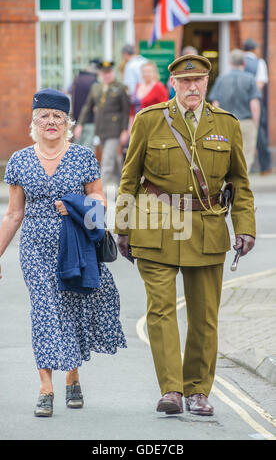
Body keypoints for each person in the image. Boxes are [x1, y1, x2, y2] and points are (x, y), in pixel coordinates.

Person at [114, 54, 256, 416]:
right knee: (160, 312)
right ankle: (172, 390)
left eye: (199, 81)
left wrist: (245, 227)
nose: (192, 87)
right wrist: (123, 227)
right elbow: (129, 178)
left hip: (207, 230)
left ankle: (198, 391)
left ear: (207, 83)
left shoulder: (226, 123)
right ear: (173, 83)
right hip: (155, 227)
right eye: (185, 81)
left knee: (204, 316)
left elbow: (239, 182)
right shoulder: (149, 120)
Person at [0, 88, 126, 417]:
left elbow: (99, 206)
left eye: (58, 116)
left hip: (75, 249)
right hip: (35, 251)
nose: (51, 122)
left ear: (68, 122)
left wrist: (76, 207)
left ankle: (73, 377)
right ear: (34, 120)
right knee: (44, 314)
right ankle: (46, 387)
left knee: (69, 314)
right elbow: (13, 215)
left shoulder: (84, 157)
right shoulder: (19, 161)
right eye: (45, 116)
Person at [74, 61, 131, 191]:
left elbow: (125, 111)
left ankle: (99, 193)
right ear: (100, 74)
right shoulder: (96, 87)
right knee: (114, 162)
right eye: (104, 73)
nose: (107, 75)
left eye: (109, 72)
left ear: (113, 72)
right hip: (101, 130)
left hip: (115, 130)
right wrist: (80, 124)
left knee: (107, 162)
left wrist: (124, 130)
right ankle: (123, 189)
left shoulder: (121, 88)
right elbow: (87, 107)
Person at [208, 49, 261, 173]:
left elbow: (215, 104)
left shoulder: (221, 79)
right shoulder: (250, 79)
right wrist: (255, 124)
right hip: (246, 122)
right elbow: (254, 105)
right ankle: (241, 186)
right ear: (244, 63)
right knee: (246, 156)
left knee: (227, 155)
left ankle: (230, 186)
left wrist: (216, 124)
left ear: (230, 63)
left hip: (226, 123)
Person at [243, 38, 272, 175]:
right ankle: (265, 167)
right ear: (254, 49)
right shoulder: (259, 63)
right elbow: (260, 84)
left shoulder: (240, 61)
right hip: (254, 99)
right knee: (259, 131)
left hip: (240, 100)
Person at [71, 58, 100, 150]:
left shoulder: (77, 79)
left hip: (76, 120)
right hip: (90, 121)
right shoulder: (95, 82)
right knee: (88, 152)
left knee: (76, 151)